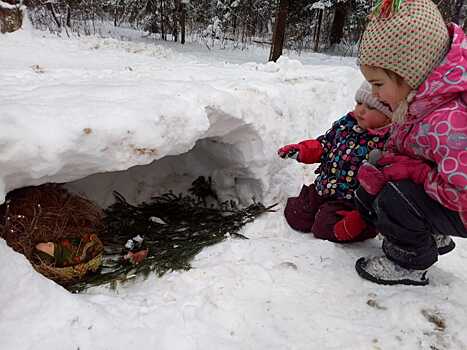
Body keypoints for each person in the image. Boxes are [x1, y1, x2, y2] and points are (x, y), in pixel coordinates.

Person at [354, 0, 467, 285]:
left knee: (397, 196)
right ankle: (428, 233)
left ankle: (410, 261)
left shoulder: (450, 123)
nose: (375, 95)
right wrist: (387, 163)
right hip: (444, 188)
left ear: (411, 73)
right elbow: (406, 143)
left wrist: (415, 173)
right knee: (382, 173)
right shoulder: (420, 100)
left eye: (378, 84)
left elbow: (461, 193)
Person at [278, 81, 392, 242]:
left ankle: (365, 225)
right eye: (359, 103)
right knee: (298, 215)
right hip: (327, 186)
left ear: (388, 115)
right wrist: (302, 151)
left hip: (352, 201)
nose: (361, 110)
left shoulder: (387, 143)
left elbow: (385, 182)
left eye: (371, 107)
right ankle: (321, 210)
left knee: (325, 226)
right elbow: (325, 144)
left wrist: (366, 212)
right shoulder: (346, 124)